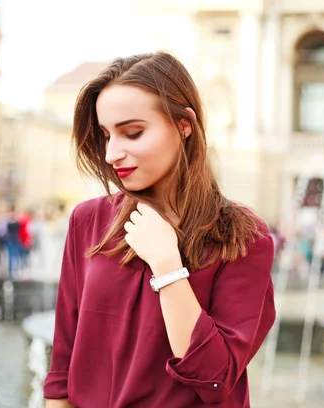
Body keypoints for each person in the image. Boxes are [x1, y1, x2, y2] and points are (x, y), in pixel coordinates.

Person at [43, 52, 276, 408]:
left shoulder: (243, 239)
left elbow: (215, 380)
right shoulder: (87, 222)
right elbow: (61, 371)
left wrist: (168, 266)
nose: (111, 154)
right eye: (106, 135)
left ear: (184, 125)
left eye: (132, 133)